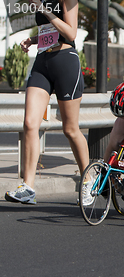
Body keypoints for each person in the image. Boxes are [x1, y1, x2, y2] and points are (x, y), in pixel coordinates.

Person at [5, 0, 89, 204]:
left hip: (65, 61)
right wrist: (33, 40)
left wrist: (43, 9)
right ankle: (28, 187)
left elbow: (70, 34)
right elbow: (50, 30)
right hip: (42, 62)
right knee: (29, 123)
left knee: (70, 129)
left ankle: (89, 181)